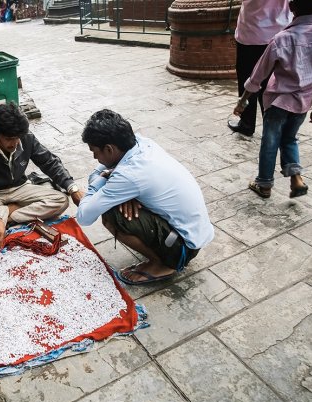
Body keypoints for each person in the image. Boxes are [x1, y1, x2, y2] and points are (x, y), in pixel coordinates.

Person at [76, 109, 214, 284]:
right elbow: (101, 172)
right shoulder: (141, 143)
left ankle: (162, 265)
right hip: (195, 234)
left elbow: (84, 216)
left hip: (183, 247)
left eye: (95, 151)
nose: (95, 157)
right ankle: (162, 254)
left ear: (109, 149)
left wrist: (98, 182)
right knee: (115, 199)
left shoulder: (129, 174)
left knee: (111, 214)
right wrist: (113, 185)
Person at [233, 0, 312, 199]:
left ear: (292, 7)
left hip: (278, 101)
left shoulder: (282, 39)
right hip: (304, 102)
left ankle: (264, 183)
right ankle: (296, 178)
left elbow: (257, 75)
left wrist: (242, 101)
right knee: (290, 139)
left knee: (270, 141)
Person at [0, 102, 84, 251]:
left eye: (17, 138)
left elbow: (49, 162)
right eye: (9, 138)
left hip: (20, 187)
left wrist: (72, 187)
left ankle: (9, 213)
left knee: (61, 200)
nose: (14, 143)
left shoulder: (26, 137)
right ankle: (8, 214)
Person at [228, 0, 292, 136]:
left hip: (252, 32)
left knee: (248, 79)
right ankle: (271, 125)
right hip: (280, 32)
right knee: (271, 83)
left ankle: (247, 123)